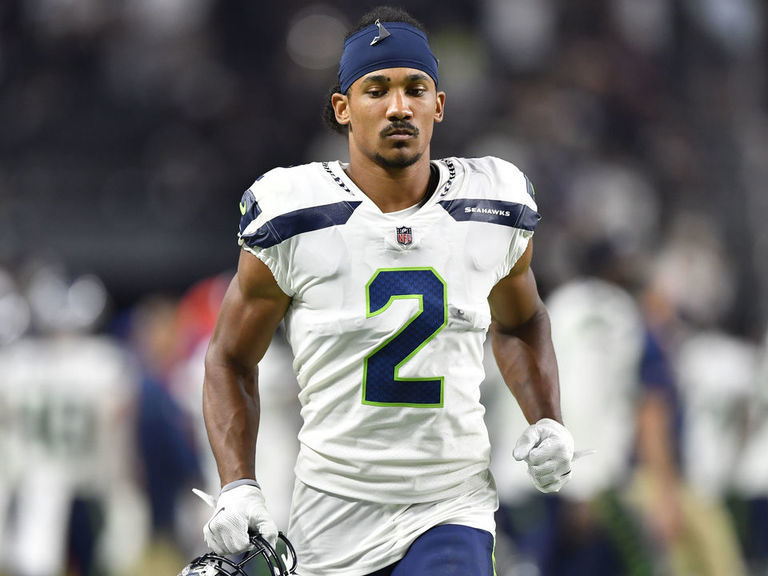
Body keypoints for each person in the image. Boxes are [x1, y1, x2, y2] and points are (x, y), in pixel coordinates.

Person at [198, 6, 575, 575]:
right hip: (331, 508)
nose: (399, 106)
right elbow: (229, 357)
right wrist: (237, 485)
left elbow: (521, 320)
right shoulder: (293, 212)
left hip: (451, 500)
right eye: (376, 89)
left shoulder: (493, 204)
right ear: (342, 108)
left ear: (438, 105)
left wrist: (546, 418)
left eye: (414, 88)